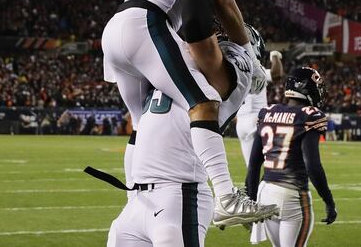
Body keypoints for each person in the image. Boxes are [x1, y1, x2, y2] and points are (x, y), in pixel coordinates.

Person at [101, 0, 272, 227]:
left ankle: (137, 199)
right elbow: (223, 1)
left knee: (141, 120)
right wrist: (247, 52)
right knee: (204, 102)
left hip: (117, 23)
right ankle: (226, 196)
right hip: (147, 24)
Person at [98, 29, 276, 246]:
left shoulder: (227, 72)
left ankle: (227, 196)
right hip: (139, 198)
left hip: (178, 196)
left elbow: (198, 37)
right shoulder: (183, 69)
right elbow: (138, 131)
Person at [246, 66, 336, 247]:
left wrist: (251, 200)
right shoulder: (309, 116)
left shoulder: (267, 112)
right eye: (316, 85)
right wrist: (329, 201)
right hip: (292, 195)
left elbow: (254, 163)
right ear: (305, 87)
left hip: (266, 192)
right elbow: (312, 165)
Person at [236, 45, 284, 166]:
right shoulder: (256, 68)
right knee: (274, 162)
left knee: (251, 166)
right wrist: (275, 56)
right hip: (257, 118)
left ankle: (252, 185)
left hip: (241, 122)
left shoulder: (234, 69)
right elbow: (276, 74)